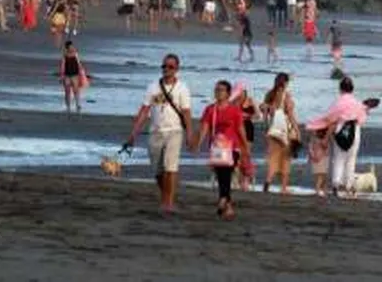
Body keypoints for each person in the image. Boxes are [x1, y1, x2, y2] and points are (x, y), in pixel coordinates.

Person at [124, 53, 193, 215]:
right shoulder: (153, 87)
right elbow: (144, 110)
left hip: (174, 131)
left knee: (170, 167)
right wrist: (133, 133)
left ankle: (168, 203)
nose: (167, 70)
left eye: (170, 67)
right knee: (157, 171)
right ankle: (166, 196)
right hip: (155, 131)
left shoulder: (182, 88)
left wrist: (190, 134)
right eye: (164, 66)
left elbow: (187, 113)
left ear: (177, 69)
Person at [191, 79, 252, 220]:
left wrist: (245, 148)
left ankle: (223, 200)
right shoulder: (210, 109)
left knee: (226, 174)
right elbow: (205, 128)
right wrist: (198, 144)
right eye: (216, 90)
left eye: (221, 90)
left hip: (233, 148)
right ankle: (227, 207)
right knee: (222, 177)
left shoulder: (234, 110)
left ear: (228, 94)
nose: (218, 93)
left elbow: (240, 129)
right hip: (216, 149)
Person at [310, 76, 373, 198]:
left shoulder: (338, 103)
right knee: (351, 159)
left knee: (338, 159)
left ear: (340, 89)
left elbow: (330, 119)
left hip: (340, 130)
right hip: (355, 131)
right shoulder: (357, 103)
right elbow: (361, 119)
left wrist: (322, 133)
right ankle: (348, 186)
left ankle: (335, 185)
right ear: (352, 89)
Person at [261, 72, 297, 194]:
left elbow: (264, 115)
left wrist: (267, 127)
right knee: (286, 159)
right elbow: (291, 116)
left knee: (273, 158)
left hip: (273, 130)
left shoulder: (269, 95)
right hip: (285, 131)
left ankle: (268, 181)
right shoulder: (286, 96)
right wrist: (297, 130)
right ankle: (283, 188)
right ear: (286, 83)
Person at [59, 40, 89, 113]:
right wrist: (62, 75)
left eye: (72, 46)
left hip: (75, 75)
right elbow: (63, 65)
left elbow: (78, 63)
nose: (72, 47)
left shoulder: (75, 54)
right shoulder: (64, 55)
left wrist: (82, 72)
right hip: (67, 75)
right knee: (67, 91)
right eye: (70, 46)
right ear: (67, 47)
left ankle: (78, 104)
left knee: (76, 90)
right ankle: (68, 106)